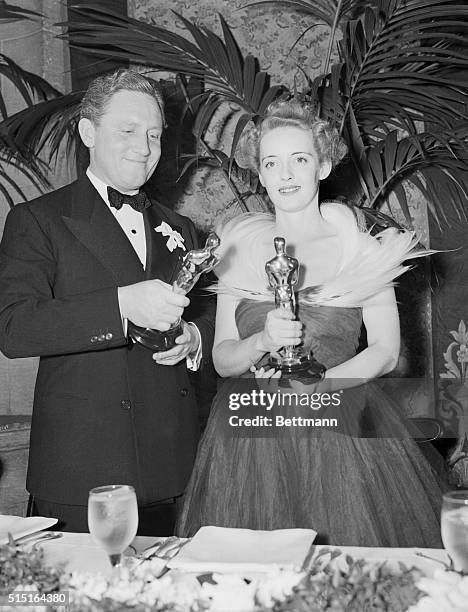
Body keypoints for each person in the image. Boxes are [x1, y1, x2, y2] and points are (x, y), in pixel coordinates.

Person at [176, 99, 446, 546]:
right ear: (259, 173)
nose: (284, 175)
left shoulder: (361, 247)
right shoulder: (236, 248)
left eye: (298, 160)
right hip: (248, 443)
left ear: (322, 165)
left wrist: (322, 386)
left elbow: (385, 351)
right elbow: (223, 360)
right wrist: (260, 339)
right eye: (271, 163)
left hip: (342, 434)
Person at [0, 69, 215, 535]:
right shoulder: (37, 219)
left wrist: (194, 336)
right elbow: (14, 328)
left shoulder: (183, 229)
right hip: (84, 470)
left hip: (175, 467)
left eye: (155, 135)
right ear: (88, 131)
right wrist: (120, 305)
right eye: (129, 130)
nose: (144, 147)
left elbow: (212, 315)